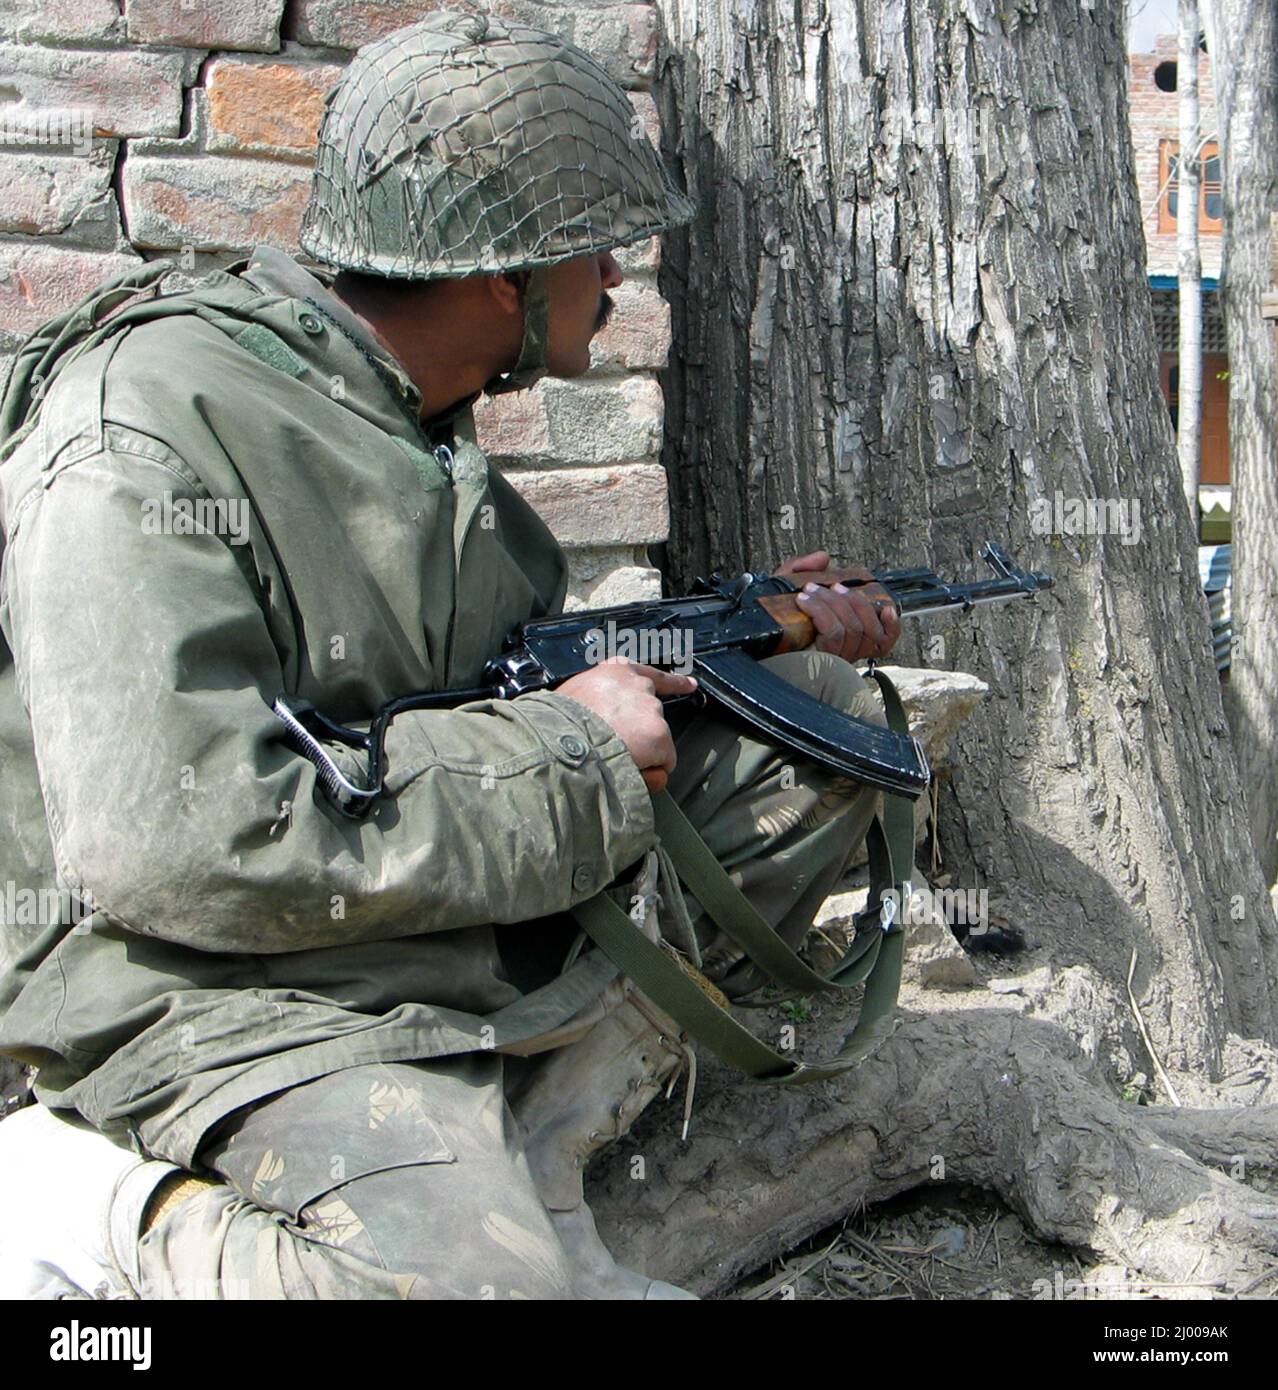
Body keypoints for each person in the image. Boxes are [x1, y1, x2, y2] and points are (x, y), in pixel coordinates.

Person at [0, 10, 901, 1300]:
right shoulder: (144, 432)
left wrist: (732, 632)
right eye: (599, 252)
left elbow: (459, 684)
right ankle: (89, 1210)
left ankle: (540, 1149)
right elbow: (176, 843)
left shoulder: (397, 415)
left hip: (406, 933)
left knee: (806, 719)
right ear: (502, 277)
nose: (617, 285)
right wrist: (576, 753)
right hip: (217, 994)